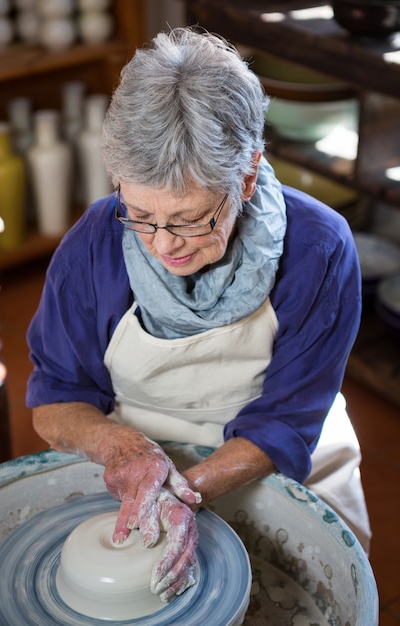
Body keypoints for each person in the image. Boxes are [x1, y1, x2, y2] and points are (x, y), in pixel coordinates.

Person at [26, 27, 371, 604]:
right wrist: (123, 452)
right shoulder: (93, 242)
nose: (164, 245)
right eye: (139, 214)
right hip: (139, 444)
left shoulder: (318, 249)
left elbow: (285, 422)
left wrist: (183, 495)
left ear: (249, 173)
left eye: (190, 219)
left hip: (283, 454)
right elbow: (56, 398)